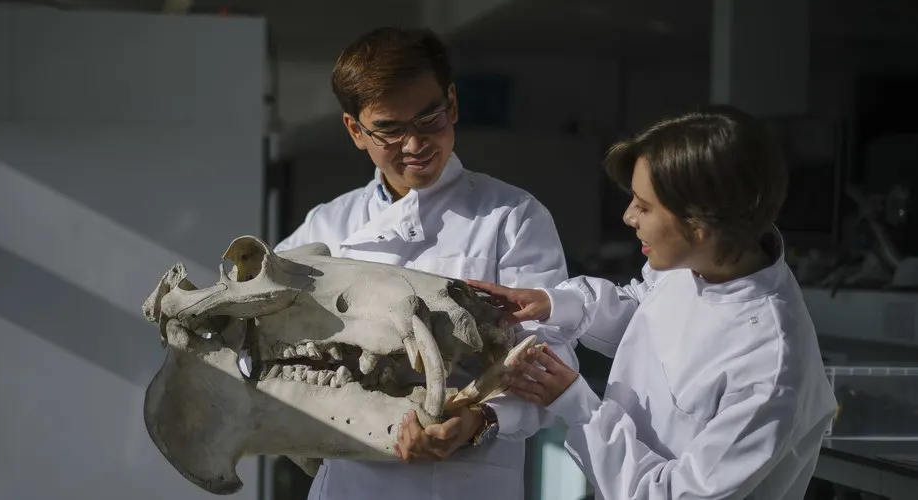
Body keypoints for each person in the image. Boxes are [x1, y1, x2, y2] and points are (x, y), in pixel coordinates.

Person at [469, 106, 839, 499]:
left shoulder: (770, 365)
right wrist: (552, 304)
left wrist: (578, 406)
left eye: (644, 206)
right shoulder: (705, 262)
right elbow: (646, 312)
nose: (629, 216)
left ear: (700, 224)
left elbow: (675, 494)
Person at [274, 26, 577, 500]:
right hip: (351, 480)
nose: (415, 145)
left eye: (429, 118)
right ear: (355, 130)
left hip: (466, 479)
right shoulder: (326, 227)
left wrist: (480, 417)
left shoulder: (510, 217)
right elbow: (269, 335)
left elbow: (552, 353)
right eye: (390, 130)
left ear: (452, 104)